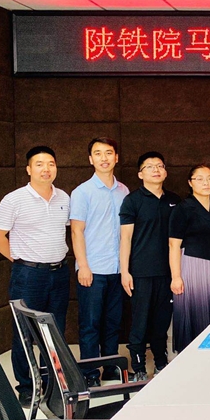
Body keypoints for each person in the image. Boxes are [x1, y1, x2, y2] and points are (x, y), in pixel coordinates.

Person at [0, 146, 70, 407]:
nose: (46, 169)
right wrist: (19, 259)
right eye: (39, 164)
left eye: (51, 163)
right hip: (28, 276)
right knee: (24, 333)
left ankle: (53, 383)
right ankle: (26, 387)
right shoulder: (14, 199)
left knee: (55, 331)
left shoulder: (64, 197)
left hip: (59, 273)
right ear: (28, 169)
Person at [70, 137, 128, 387]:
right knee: (90, 324)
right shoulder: (82, 192)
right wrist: (83, 265)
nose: (104, 158)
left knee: (113, 322)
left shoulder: (124, 191)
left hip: (118, 269)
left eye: (109, 153)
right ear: (90, 159)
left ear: (116, 157)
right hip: (92, 269)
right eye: (98, 153)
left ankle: (111, 368)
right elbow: (76, 231)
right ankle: (90, 373)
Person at [119, 151, 181, 382]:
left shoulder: (174, 200)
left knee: (162, 321)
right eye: (150, 166)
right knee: (140, 321)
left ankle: (161, 362)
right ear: (140, 174)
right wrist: (125, 271)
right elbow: (125, 238)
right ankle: (138, 367)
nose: (156, 170)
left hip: (168, 272)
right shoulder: (132, 201)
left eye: (160, 166)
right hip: (141, 272)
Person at [169, 164, 210, 353]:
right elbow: (173, 245)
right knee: (193, 308)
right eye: (199, 179)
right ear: (190, 183)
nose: (206, 183)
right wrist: (176, 277)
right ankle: (191, 353)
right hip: (192, 263)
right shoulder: (182, 208)